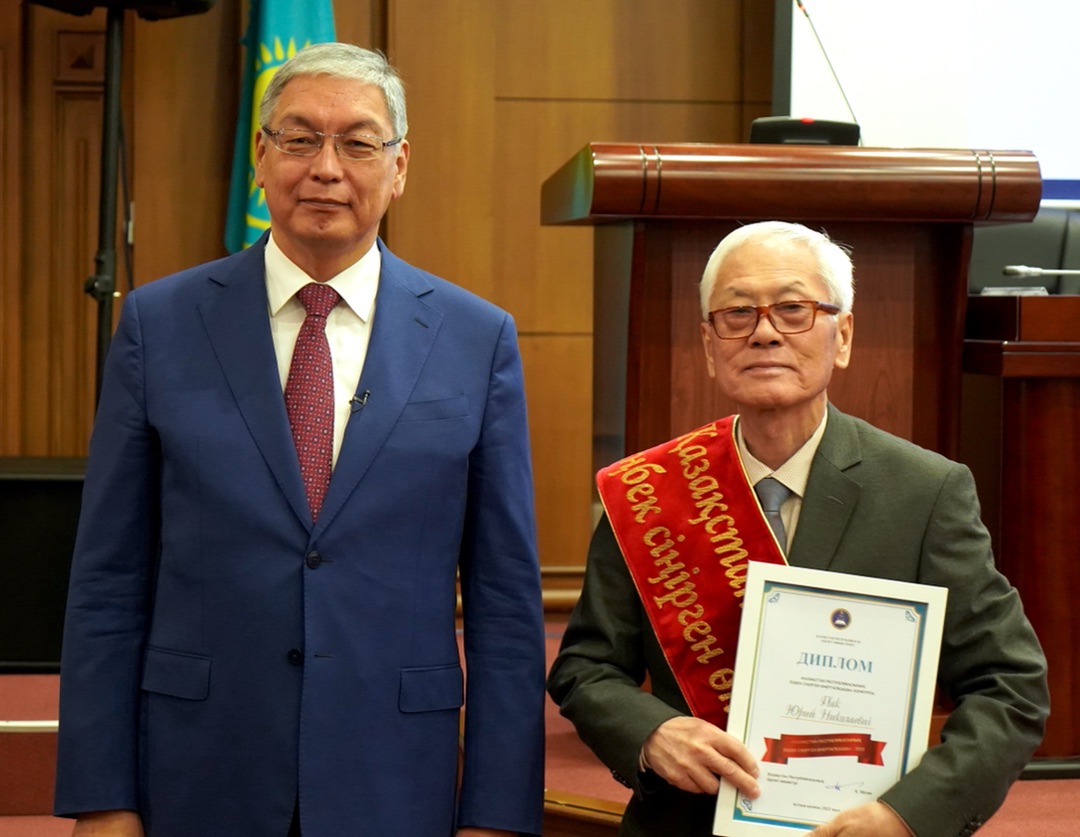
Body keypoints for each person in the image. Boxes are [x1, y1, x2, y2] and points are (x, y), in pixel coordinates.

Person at [53, 43, 545, 837]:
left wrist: (498, 813)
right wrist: (102, 796)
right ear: (260, 156)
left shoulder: (475, 339)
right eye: (299, 138)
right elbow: (108, 579)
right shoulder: (159, 324)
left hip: (395, 776)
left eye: (358, 143)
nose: (326, 168)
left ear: (400, 165)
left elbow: (506, 601)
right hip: (200, 771)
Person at [547, 221, 1049, 837]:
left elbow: (1010, 686)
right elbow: (585, 668)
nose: (763, 333)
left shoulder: (925, 492)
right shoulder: (649, 491)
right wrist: (652, 732)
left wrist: (908, 815)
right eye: (737, 313)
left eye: (793, 309)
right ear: (709, 345)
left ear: (843, 336)